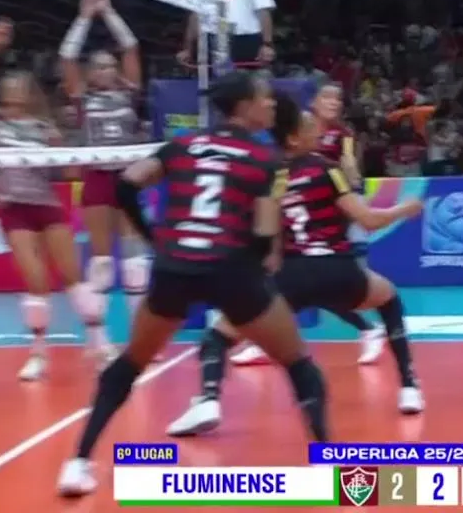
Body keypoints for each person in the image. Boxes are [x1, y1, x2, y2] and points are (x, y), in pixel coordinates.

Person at [57, 72, 329, 497]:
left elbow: (126, 183)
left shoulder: (183, 145)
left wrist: (153, 238)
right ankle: (328, 465)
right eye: (265, 99)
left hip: (175, 266)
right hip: (231, 267)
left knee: (129, 364)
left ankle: (77, 464)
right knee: (299, 365)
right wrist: (250, 276)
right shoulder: (265, 160)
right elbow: (263, 235)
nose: (272, 105)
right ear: (244, 106)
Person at [166, 97, 425, 437]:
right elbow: (368, 220)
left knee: (217, 337)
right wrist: (405, 209)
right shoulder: (326, 168)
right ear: (292, 138)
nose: (316, 130)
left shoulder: (270, 177)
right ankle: (408, 386)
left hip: (290, 279)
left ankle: (208, 399)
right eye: (308, 127)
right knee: (389, 299)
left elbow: (264, 239)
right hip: (340, 271)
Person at [0, 19, 111, 380]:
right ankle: (38, 353)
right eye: (7, 83)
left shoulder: (45, 128)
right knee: (35, 280)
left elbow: (70, 172)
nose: (12, 86)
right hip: (13, 207)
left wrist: (70, 149)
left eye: (19, 83)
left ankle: (99, 343)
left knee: (73, 277)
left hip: (47, 205)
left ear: (30, 91)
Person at [230, 83, 386, 366]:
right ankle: (264, 340)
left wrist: (352, 183)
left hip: (329, 208)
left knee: (320, 281)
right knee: (301, 284)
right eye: (327, 97)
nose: (334, 102)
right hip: (295, 206)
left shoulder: (342, 135)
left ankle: (368, 328)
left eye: (338, 99)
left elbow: (349, 163)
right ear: (314, 102)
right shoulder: (295, 127)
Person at [58, 0, 151, 322]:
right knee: (101, 262)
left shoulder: (130, 94)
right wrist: (84, 17)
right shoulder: (81, 97)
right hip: (97, 177)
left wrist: (109, 12)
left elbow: (130, 47)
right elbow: (67, 56)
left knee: (135, 260)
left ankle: (140, 334)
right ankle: (96, 336)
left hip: (128, 176)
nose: (107, 70)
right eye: (99, 66)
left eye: (111, 66)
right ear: (90, 73)